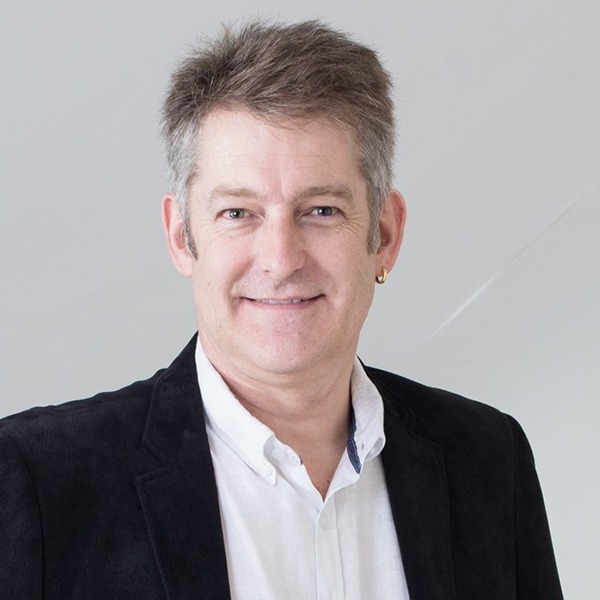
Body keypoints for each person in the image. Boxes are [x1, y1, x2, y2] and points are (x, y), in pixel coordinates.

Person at [0, 20, 562, 599]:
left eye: (321, 210)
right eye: (237, 213)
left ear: (385, 235)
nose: (281, 260)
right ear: (181, 236)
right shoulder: (37, 481)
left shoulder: (489, 459)